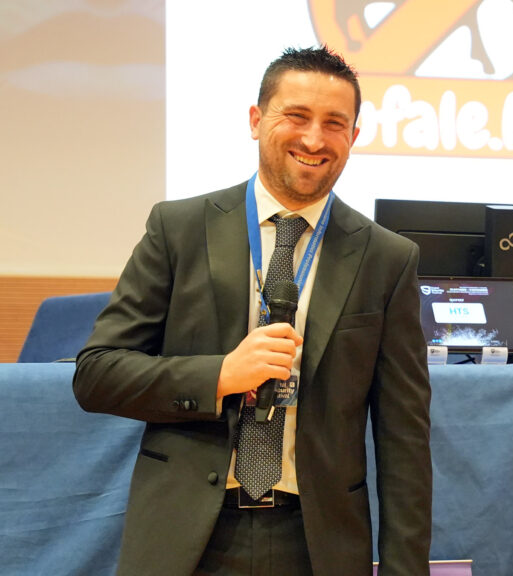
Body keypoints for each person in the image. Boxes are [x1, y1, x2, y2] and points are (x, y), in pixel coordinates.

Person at [73, 46, 432, 576]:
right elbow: (97, 375)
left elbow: (405, 440)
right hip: (185, 536)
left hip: (317, 542)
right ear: (256, 120)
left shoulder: (387, 258)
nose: (314, 139)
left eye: (334, 123)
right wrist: (220, 375)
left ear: (354, 136)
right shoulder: (179, 229)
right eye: (297, 116)